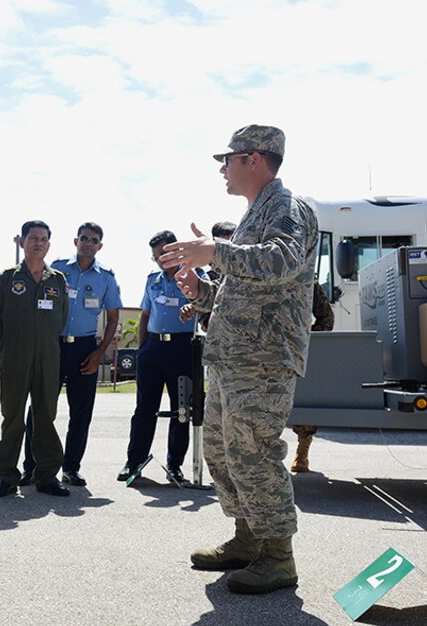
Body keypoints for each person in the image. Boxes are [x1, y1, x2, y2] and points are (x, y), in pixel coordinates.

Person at [159, 124, 319, 595]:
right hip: (233, 357)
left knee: (254, 452)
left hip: (264, 358)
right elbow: (243, 288)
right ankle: (248, 539)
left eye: (226, 160)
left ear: (253, 158)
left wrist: (215, 250)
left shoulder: (287, 208)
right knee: (222, 453)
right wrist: (203, 290)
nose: (222, 169)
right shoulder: (255, 214)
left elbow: (281, 261)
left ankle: (278, 557)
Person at [22, 221, 121, 487]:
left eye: (94, 240)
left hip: (85, 350)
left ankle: (71, 467)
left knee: (81, 412)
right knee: (41, 409)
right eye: (84, 238)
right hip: (53, 347)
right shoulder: (56, 269)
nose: (88, 243)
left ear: (100, 245)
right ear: (75, 241)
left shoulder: (106, 278)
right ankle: (31, 466)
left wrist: (99, 353)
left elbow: (112, 319)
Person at [0, 220, 70, 498]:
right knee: (12, 416)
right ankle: (6, 476)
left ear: (49, 244)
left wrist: (43, 342)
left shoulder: (57, 280)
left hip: (48, 356)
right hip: (15, 356)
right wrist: (12, 345)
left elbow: (62, 319)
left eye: (44, 239)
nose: (38, 243)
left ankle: (46, 476)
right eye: (33, 238)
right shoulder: (6, 278)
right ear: (21, 242)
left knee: (46, 415)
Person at [121, 230, 203, 486]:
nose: (161, 260)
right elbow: (145, 314)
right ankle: (135, 461)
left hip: (181, 349)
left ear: (176, 251)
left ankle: (174, 465)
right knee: (145, 408)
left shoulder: (195, 276)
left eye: (165, 253)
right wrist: (143, 347)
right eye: (156, 256)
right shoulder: (152, 280)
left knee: (181, 410)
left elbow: (205, 305)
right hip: (153, 348)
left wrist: (194, 309)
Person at [290, 280, 335, 472]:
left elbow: (326, 318)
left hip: (298, 351)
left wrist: (307, 341)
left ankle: (302, 450)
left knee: (304, 399)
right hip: (268, 349)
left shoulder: (307, 282)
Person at [181, 222, 236, 331]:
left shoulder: (249, 272)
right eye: (222, 246)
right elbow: (206, 323)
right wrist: (196, 305)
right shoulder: (207, 280)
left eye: (231, 246)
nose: (226, 252)